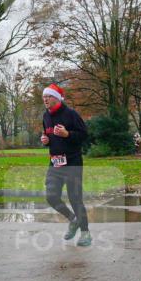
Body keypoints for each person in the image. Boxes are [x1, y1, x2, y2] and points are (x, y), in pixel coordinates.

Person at [40, 83, 90, 247]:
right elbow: (47, 135)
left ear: (57, 98)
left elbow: (84, 135)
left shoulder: (71, 114)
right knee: (51, 196)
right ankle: (73, 219)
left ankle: (85, 233)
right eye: (44, 97)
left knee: (75, 197)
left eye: (48, 96)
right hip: (55, 162)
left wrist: (67, 134)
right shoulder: (45, 116)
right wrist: (45, 141)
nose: (45, 99)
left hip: (73, 162)